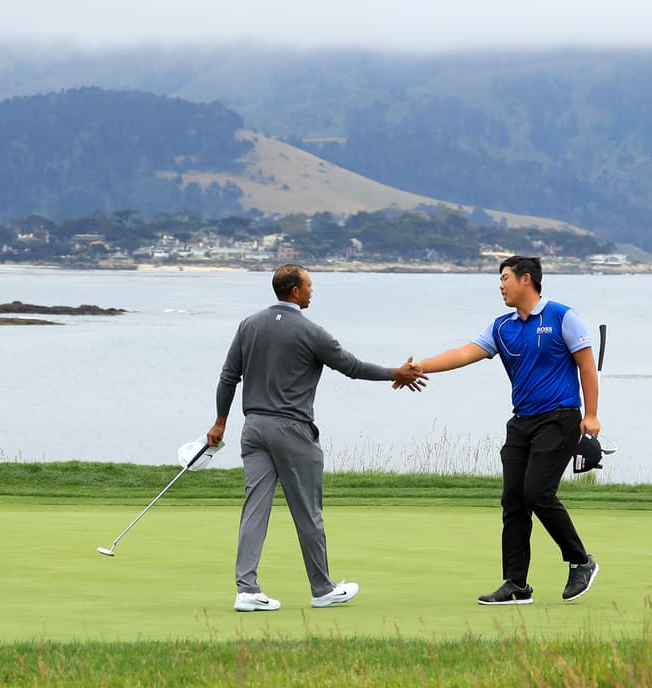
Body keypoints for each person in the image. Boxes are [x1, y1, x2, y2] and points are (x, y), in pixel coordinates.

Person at [207, 264, 427, 612]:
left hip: (253, 429)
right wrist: (394, 373)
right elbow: (351, 367)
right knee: (308, 511)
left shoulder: (248, 325)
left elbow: (228, 377)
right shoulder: (311, 332)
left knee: (255, 508)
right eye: (309, 286)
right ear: (295, 291)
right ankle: (322, 588)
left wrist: (220, 422)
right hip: (292, 430)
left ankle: (246, 589)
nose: (312, 291)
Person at [413, 255, 601, 605]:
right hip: (522, 423)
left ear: (525, 279)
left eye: (504, 278)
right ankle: (516, 584)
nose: (500, 285)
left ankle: (581, 561)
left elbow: (587, 367)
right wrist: (420, 366)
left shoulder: (563, 317)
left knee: (537, 493)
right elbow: (463, 353)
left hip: (560, 418)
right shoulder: (502, 327)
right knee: (513, 500)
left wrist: (591, 416)